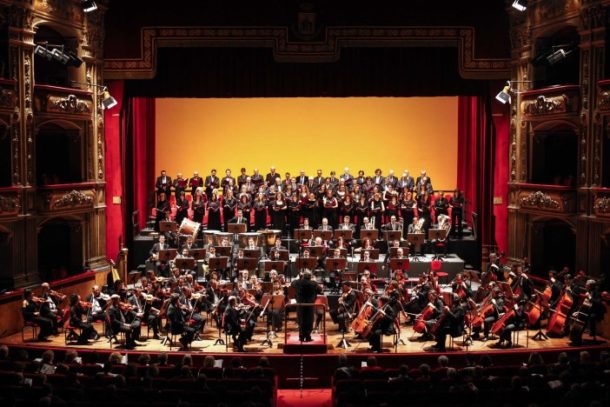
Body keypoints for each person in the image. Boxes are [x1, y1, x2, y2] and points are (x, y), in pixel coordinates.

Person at [291, 270, 321, 342]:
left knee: (301, 320)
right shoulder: (313, 283)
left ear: (303, 276)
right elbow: (320, 290)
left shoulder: (298, 282)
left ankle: (301, 337)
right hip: (310, 305)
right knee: (309, 320)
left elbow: (292, 284)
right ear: (310, 277)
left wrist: (298, 278)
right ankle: (308, 337)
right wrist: (314, 281)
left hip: (300, 305)